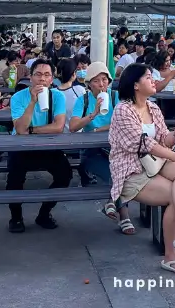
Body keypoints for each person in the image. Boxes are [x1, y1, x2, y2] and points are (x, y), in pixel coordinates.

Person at [108, 64, 175, 274]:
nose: (153, 80)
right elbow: (143, 144)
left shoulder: (153, 107)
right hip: (131, 170)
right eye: (148, 77)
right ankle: (171, 254)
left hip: (155, 164)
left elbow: (163, 141)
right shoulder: (123, 110)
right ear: (136, 85)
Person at [6, 59, 73, 233]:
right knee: (14, 179)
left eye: (46, 75)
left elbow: (58, 127)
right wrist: (33, 102)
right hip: (21, 147)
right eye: (38, 74)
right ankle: (16, 217)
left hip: (47, 146)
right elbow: (20, 129)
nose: (42, 79)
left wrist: (33, 130)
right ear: (30, 77)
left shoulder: (57, 96)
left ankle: (44, 213)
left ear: (52, 79)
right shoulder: (18, 97)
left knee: (65, 174)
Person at [69, 62, 135, 234]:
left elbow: (126, 122)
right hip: (93, 152)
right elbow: (73, 127)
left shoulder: (115, 97)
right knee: (117, 175)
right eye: (96, 81)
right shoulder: (83, 100)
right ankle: (125, 216)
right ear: (89, 83)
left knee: (123, 172)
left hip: (116, 150)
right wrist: (94, 114)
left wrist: (101, 128)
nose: (101, 84)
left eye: (104, 80)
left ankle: (112, 205)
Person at [54, 57, 85, 128]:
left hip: (55, 135)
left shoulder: (52, 92)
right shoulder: (80, 90)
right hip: (78, 134)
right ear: (73, 74)